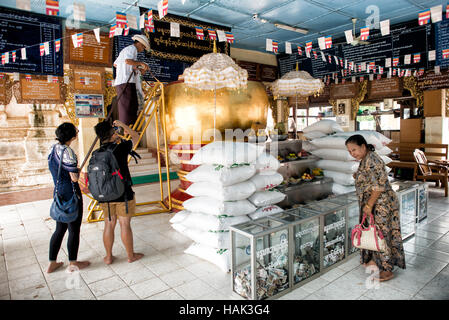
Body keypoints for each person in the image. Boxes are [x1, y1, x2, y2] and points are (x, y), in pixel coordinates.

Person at [345, 134, 406, 282]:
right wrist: (358, 176)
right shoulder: (366, 159)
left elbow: (378, 187)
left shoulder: (372, 160)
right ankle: (376, 261)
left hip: (381, 204)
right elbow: (371, 177)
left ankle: (386, 270)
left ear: (363, 146)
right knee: (374, 232)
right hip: (376, 203)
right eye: (350, 151)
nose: (352, 153)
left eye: (354, 149)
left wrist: (369, 205)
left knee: (381, 234)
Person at [93, 119, 143, 264]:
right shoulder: (121, 148)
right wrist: (122, 125)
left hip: (105, 194)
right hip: (123, 193)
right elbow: (136, 137)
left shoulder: (97, 153)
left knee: (109, 224)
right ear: (112, 133)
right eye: (114, 131)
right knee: (125, 224)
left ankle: (108, 257)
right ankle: (130, 256)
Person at [47, 122, 90, 273]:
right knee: (73, 229)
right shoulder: (68, 152)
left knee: (59, 229)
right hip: (71, 193)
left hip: (58, 191)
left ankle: (52, 262)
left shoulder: (52, 149)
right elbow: (74, 178)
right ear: (72, 136)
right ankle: (73, 263)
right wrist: (77, 171)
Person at [113, 34, 150, 126]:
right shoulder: (132, 49)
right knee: (128, 107)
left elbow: (116, 64)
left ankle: (129, 128)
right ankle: (129, 129)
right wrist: (140, 63)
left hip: (124, 81)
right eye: (143, 47)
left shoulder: (126, 50)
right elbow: (127, 61)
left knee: (129, 106)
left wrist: (136, 68)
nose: (143, 50)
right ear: (140, 44)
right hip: (126, 81)